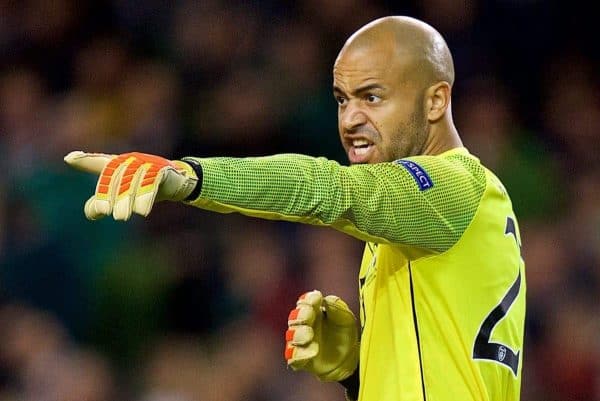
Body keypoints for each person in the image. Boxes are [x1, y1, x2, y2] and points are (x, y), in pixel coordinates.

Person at [65, 16, 525, 401]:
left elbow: (327, 188)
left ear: (435, 100)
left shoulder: (454, 185)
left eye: (372, 97)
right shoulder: (416, 222)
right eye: (342, 100)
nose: (349, 119)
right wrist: (358, 369)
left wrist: (192, 177)